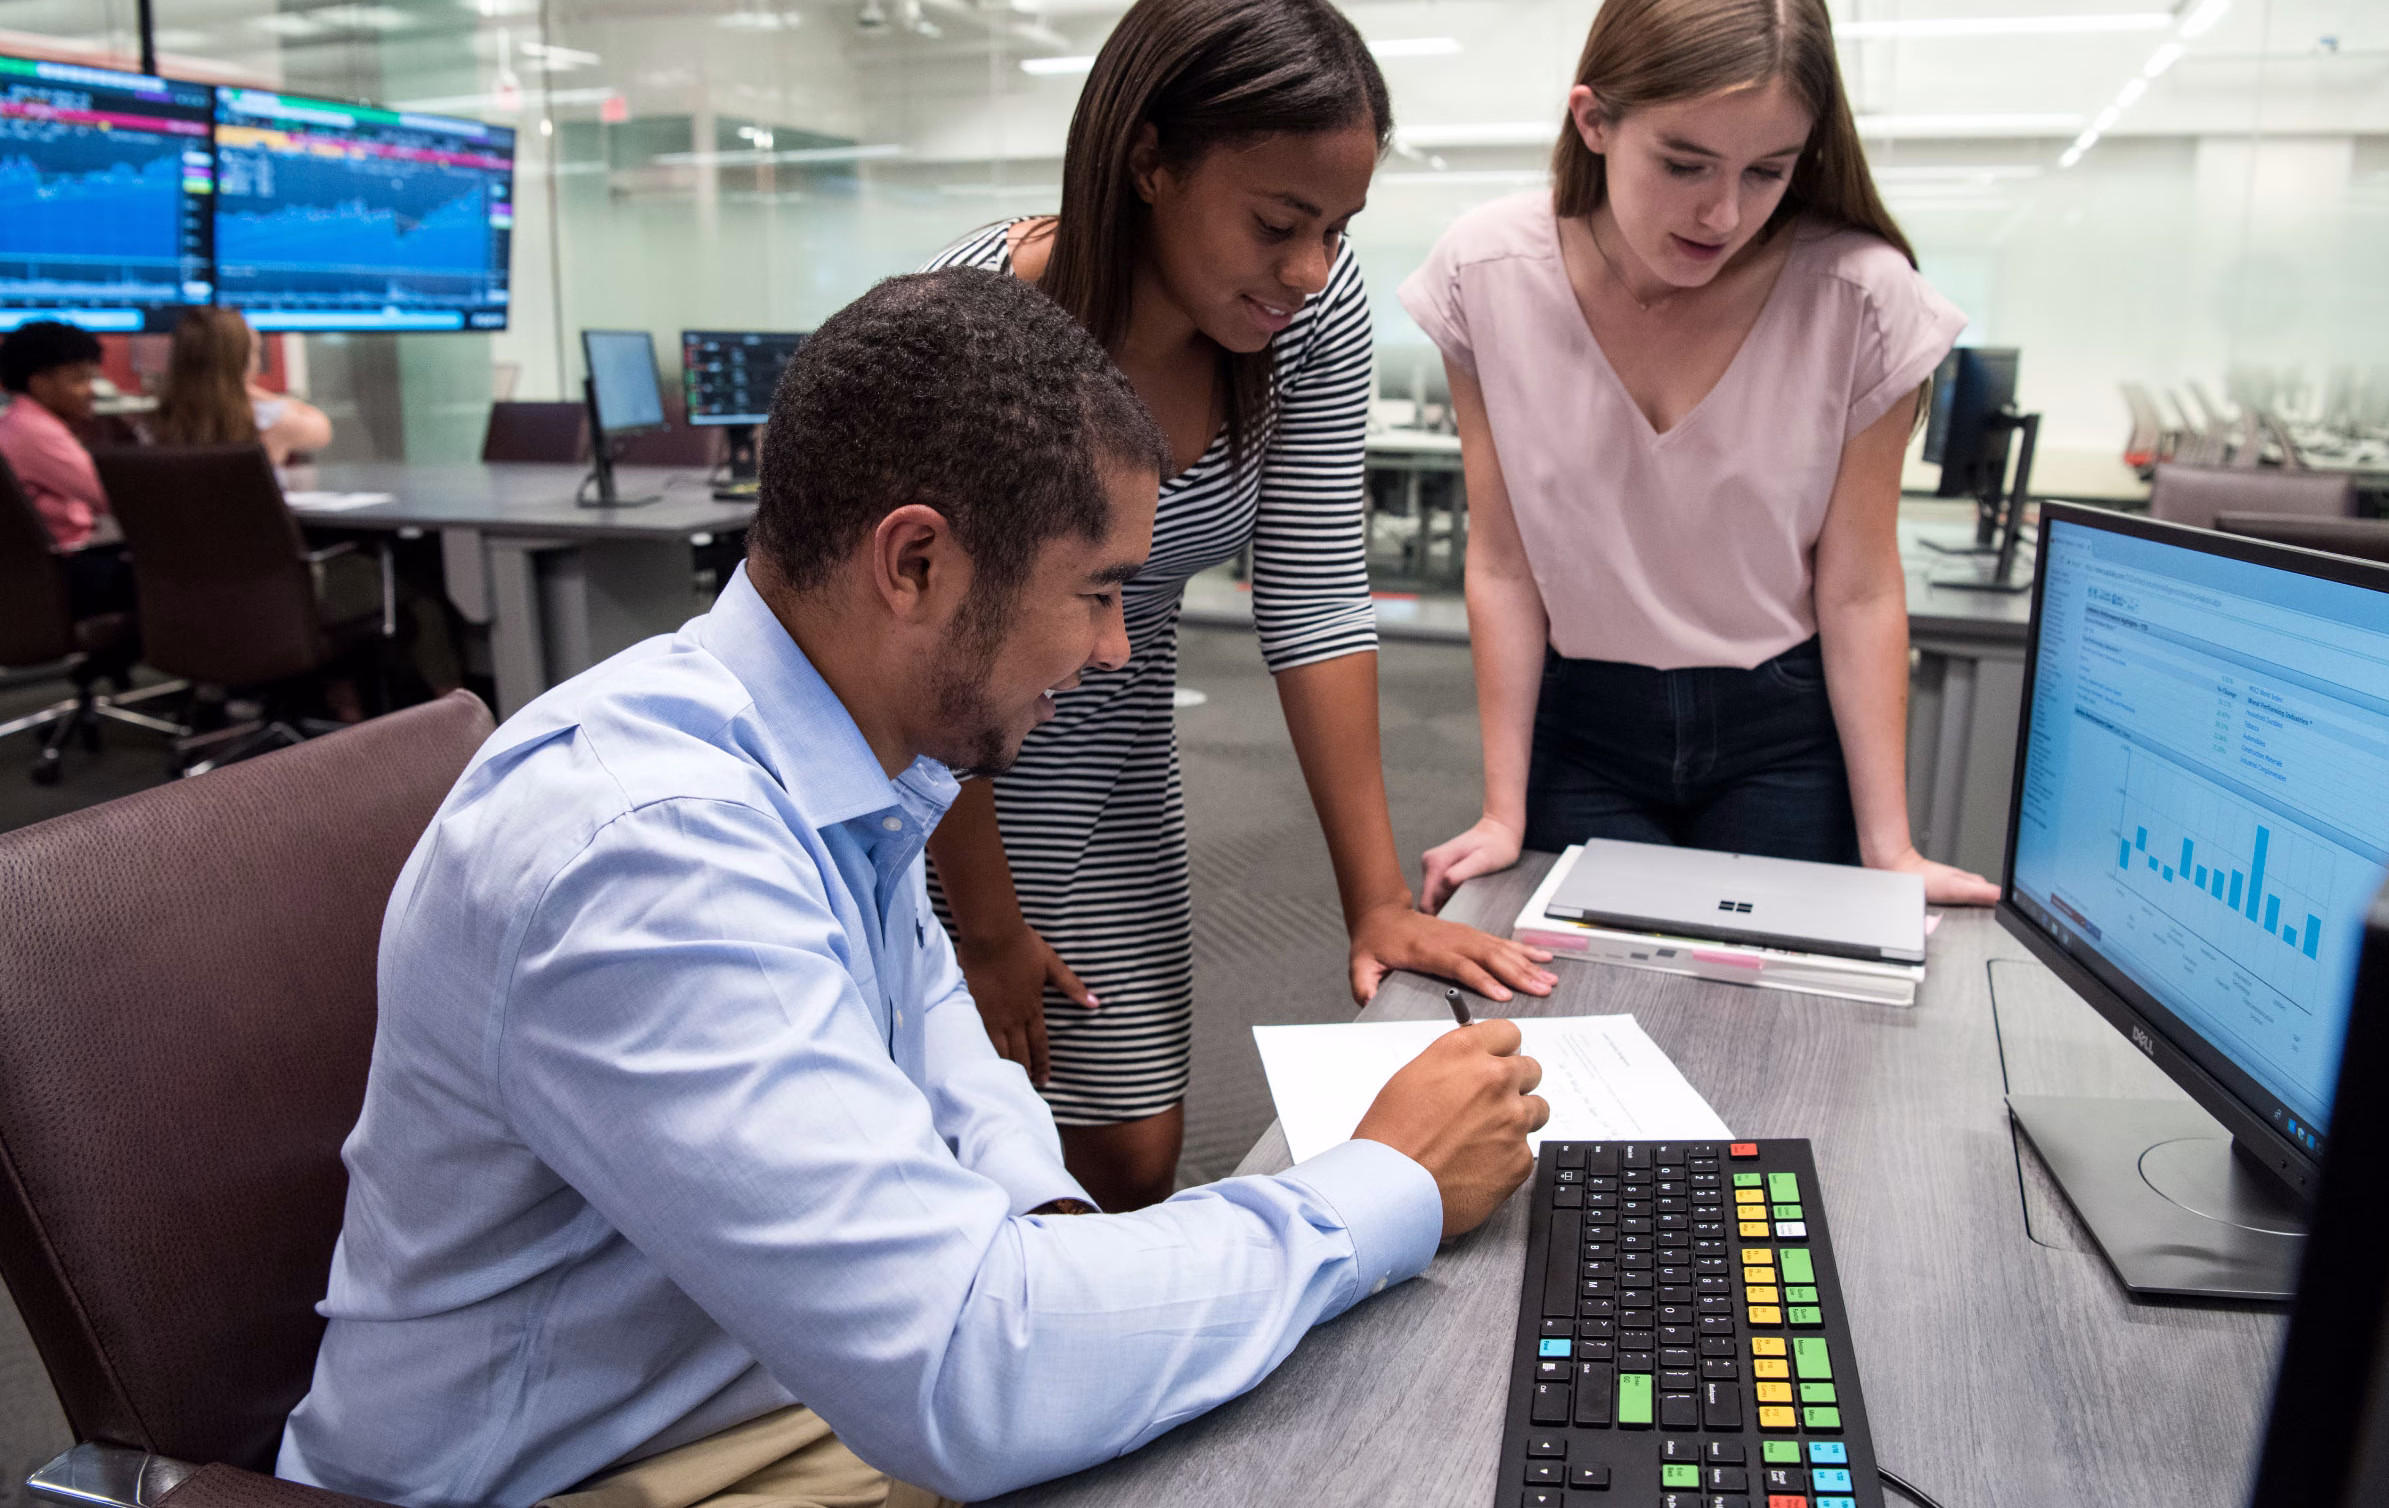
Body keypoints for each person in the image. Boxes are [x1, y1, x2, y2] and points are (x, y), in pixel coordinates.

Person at [274, 267, 1547, 1508]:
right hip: (578, 1470)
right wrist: (1387, 1181)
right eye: (1097, 591)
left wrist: (1048, 1218)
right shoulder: (650, 859)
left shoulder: (835, 762)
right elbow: (971, 1367)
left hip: (758, 1399)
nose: (1115, 650)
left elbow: (935, 1042)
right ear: (917, 564)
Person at [925, 0, 1552, 1211]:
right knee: (953, 1149)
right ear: (1150, 160)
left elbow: (1315, 602)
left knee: (1128, 1153)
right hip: (924, 775)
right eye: (1277, 223)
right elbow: (920, 664)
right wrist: (981, 927)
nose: (1310, 267)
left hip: (1107, 747)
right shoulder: (982, 322)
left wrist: (1375, 901)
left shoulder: (1308, 321)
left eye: (1337, 229)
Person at [1403, 0, 2001, 912]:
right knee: (1578, 1029)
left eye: (1767, 171)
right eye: (1685, 163)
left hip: (1780, 733)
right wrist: (1501, 811)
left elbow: (1857, 587)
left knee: (1778, 1036)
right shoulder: (1485, 274)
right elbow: (1504, 562)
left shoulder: (1862, 298)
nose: (1722, 213)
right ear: (1594, 121)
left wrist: (1890, 846)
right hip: (1583, 723)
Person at [0, 319, 131, 619]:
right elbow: (110, 494)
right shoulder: (35, 432)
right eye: (79, 379)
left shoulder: (18, 422)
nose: (91, 391)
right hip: (66, 571)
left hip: (41, 571)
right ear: (40, 383)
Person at [149, 304, 331, 464]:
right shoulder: (266, 421)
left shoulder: (155, 424)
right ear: (242, 363)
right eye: (254, 351)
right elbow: (321, 429)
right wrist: (245, 388)